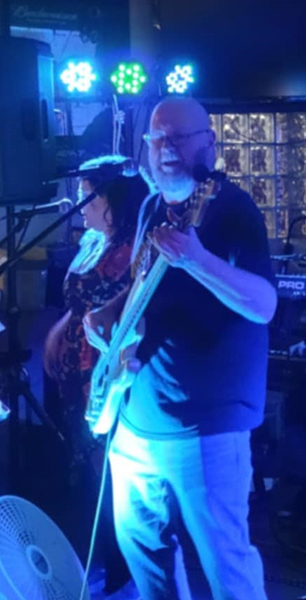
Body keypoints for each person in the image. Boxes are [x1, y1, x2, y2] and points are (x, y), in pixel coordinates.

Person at [84, 97, 276, 600]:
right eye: (157, 139)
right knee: (146, 559)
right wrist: (109, 313)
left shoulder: (232, 208)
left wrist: (196, 259)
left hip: (206, 425)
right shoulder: (151, 207)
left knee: (227, 567)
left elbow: (263, 304)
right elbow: (145, 285)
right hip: (135, 419)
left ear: (208, 144)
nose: (165, 148)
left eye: (178, 138)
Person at [43, 155, 148, 600]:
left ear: (112, 199)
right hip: (73, 368)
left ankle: (123, 577)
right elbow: (79, 299)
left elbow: (127, 308)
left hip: (104, 371)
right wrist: (60, 327)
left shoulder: (135, 246)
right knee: (84, 476)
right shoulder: (91, 239)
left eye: (89, 196)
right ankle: (94, 569)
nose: (80, 205)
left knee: (107, 475)